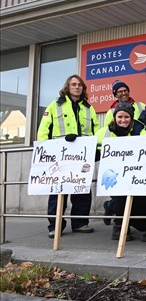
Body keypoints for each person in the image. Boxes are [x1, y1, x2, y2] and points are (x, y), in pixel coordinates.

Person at [37, 74, 100, 238]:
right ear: (68, 87)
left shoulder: (88, 107)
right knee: (58, 191)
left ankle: (80, 223)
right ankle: (55, 225)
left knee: (82, 190)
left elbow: (96, 131)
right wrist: (45, 152)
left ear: (83, 88)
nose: (77, 87)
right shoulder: (54, 105)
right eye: (73, 84)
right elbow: (44, 130)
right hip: (60, 156)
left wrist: (97, 148)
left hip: (82, 155)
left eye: (79, 85)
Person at [95, 102, 146, 241]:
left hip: (134, 172)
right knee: (120, 198)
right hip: (112, 175)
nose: (123, 120)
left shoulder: (141, 131)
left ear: (131, 118)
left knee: (134, 204)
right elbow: (93, 151)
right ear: (114, 117)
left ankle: (111, 207)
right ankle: (119, 228)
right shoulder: (103, 132)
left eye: (126, 117)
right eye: (120, 117)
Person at [102, 80, 146, 225]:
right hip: (117, 162)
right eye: (119, 91)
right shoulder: (110, 112)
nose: (123, 93)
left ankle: (116, 211)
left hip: (136, 159)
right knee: (119, 196)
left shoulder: (141, 106)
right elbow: (109, 133)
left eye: (125, 90)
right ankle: (118, 224)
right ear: (115, 94)